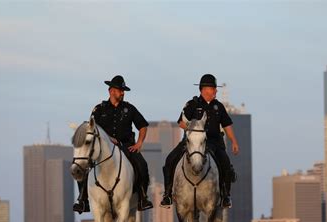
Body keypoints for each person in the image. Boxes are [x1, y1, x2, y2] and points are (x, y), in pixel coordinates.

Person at [73, 75, 153, 213]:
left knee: (142, 165)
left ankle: (142, 198)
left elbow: (143, 126)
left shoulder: (130, 108)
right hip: (104, 148)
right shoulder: (99, 109)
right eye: (120, 90)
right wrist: (109, 138)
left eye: (123, 91)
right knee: (83, 166)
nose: (122, 93)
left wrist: (139, 143)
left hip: (127, 146)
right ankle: (82, 199)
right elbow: (91, 129)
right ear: (111, 91)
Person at [160, 74, 239, 209]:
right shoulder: (192, 104)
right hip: (192, 143)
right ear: (203, 89)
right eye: (212, 88)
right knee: (170, 160)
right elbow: (181, 123)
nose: (215, 91)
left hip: (214, 142)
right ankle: (167, 194)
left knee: (226, 163)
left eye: (215, 88)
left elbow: (227, 125)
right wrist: (193, 129)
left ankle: (226, 195)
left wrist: (234, 141)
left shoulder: (219, 106)